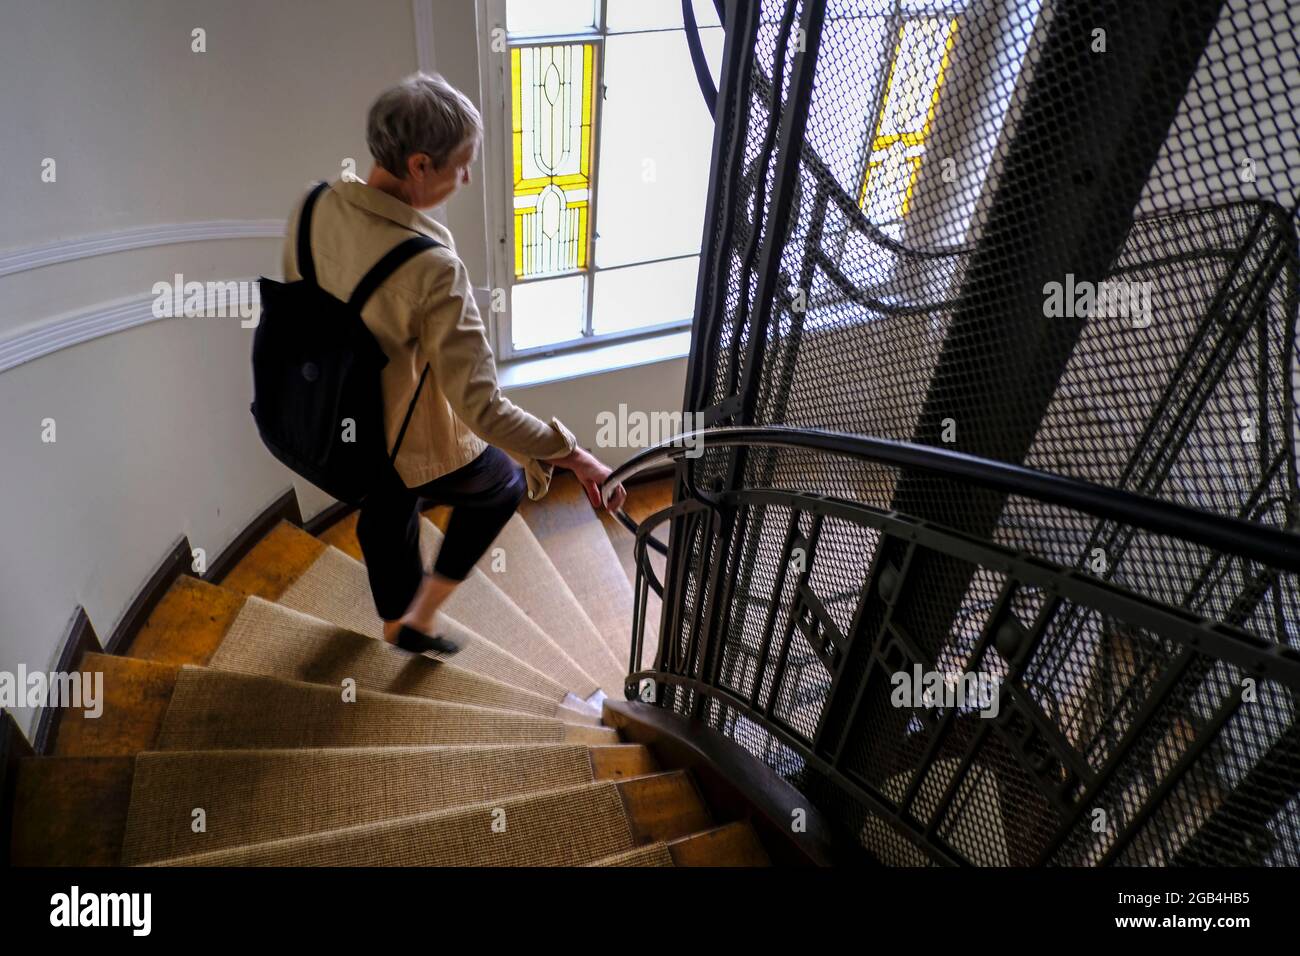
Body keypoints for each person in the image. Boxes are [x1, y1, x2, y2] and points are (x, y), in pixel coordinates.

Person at [280, 72, 626, 655]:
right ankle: (420, 615)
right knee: (502, 483)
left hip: (314, 420)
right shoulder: (433, 268)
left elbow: (308, 308)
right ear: (419, 165)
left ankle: (397, 614)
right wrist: (574, 455)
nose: (466, 177)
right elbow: (484, 410)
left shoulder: (313, 205)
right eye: (461, 165)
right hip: (388, 439)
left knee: (387, 503)